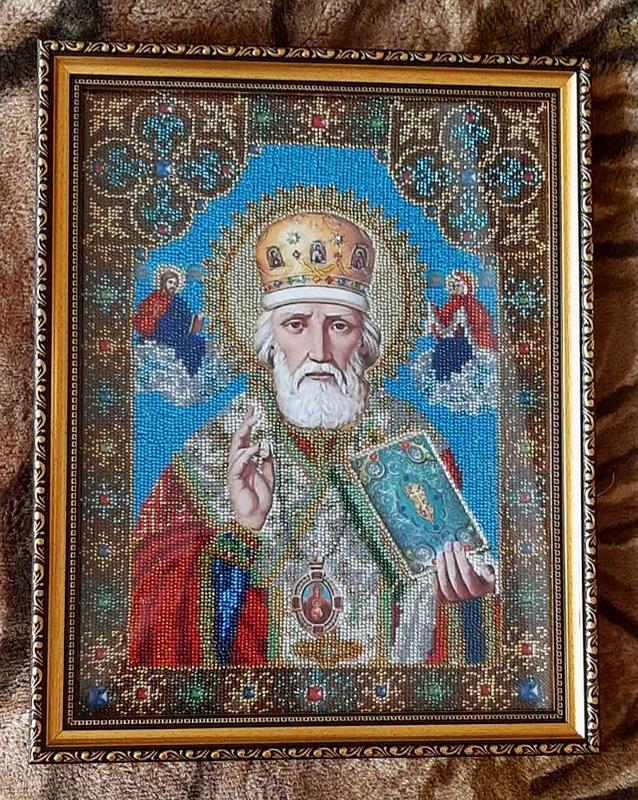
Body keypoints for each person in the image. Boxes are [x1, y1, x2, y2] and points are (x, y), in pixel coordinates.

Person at [130, 213, 496, 669]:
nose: (319, 351)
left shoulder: (409, 442)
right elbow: (151, 586)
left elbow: (465, 594)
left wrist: (465, 598)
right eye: (296, 325)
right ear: (269, 339)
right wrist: (244, 531)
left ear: (365, 339)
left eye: (339, 326)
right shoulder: (221, 442)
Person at [133, 269, 206, 375]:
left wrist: (196, 320)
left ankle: (192, 373)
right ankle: (189, 371)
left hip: (178, 334)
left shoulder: (178, 300)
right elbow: (143, 318)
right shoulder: (154, 299)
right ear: (163, 282)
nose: (173, 286)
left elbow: (186, 318)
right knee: (188, 344)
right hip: (160, 334)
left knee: (198, 342)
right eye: (170, 282)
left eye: (175, 284)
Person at [430, 271, 497, 383]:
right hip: (455, 339)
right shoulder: (451, 304)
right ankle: (441, 380)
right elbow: (444, 326)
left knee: (447, 349)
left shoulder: (472, 305)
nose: (455, 288)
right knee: (442, 348)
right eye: (453, 286)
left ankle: (450, 378)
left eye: (458, 285)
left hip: (468, 342)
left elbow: (480, 325)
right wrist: (435, 315)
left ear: (466, 286)